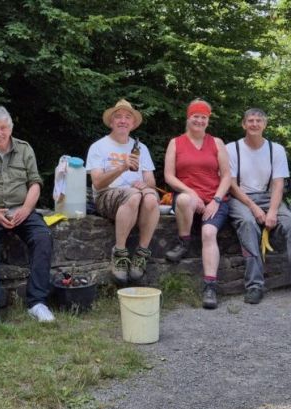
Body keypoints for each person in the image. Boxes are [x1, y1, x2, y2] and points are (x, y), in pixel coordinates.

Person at [227, 108, 291, 305]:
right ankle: (254, 285)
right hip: (241, 197)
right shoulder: (231, 148)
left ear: (265, 125)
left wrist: (273, 211)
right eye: (250, 120)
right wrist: (254, 208)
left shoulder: (275, 149)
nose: (254, 124)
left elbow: (278, 184)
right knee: (248, 224)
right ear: (243, 124)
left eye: (259, 121)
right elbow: (231, 184)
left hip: (270, 197)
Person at [0, 106, 55, 329]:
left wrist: (26, 209)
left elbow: (35, 183)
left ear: (10, 128)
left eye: (3, 128)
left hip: (22, 209)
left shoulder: (25, 149)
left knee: (43, 236)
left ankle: (37, 302)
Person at [164, 99, 232, 309]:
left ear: (208, 120)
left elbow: (227, 176)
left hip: (215, 198)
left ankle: (210, 287)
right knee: (184, 199)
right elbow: (168, 176)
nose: (200, 120)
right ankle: (184, 242)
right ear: (188, 117)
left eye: (204, 117)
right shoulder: (176, 143)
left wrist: (216, 201)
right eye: (196, 116)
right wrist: (191, 192)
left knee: (209, 234)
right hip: (189, 197)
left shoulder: (217, 143)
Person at [86, 99, 159, 285]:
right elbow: (97, 183)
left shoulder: (141, 148)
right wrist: (122, 167)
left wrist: (145, 186)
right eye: (118, 117)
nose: (123, 121)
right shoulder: (98, 147)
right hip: (106, 196)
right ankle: (119, 252)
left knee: (151, 198)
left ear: (133, 124)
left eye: (128, 117)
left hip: (137, 198)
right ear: (111, 122)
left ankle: (141, 253)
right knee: (133, 195)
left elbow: (151, 181)